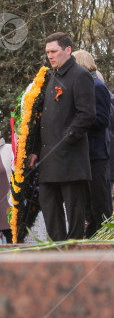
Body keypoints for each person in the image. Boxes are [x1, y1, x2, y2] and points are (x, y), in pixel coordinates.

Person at [28, 32, 96, 241]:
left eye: (54, 51)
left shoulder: (80, 75)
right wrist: (34, 150)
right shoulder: (51, 76)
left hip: (70, 157)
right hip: (49, 157)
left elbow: (87, 114)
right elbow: (43, 119)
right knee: (48, 202)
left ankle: (74, 246)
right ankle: (58, 246)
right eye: (47, 52)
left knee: (74, 207)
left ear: (67, 50)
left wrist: (67, 138)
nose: (49, 56)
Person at [73, 50, 112, 237]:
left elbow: (103, 119)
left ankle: (106, 235)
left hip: (96, 153)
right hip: (82, 154)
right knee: (87, 201)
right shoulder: (80, 86)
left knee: (100, 200)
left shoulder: (97, 86)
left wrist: (78, 123)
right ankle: (94, 233)